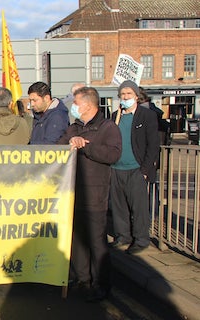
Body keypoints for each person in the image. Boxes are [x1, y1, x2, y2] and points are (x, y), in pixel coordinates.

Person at [58, 86, 122, 302]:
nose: (73, 107)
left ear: (87, 105)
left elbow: (112, 154)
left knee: (96, 241)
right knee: (77, 240)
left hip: (95, 194)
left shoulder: (107, 127)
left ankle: (101, 284)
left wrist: (87, 146)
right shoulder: (74, 127)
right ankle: (82, 278)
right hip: (73, 192)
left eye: (76, 103)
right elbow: (58, 146)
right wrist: (69, 142)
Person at [109, 80, 160, 255]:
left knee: (138, 207)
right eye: (122, 94)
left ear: (136, 96)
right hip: (116, 168)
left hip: (136, 168)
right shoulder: (115, 116)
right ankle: (123, 236)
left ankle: (141, 239)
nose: (125, 97)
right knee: (119, 206)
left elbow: (153, 145)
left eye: (128, 94)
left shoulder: (147, 116)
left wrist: (145, 170)